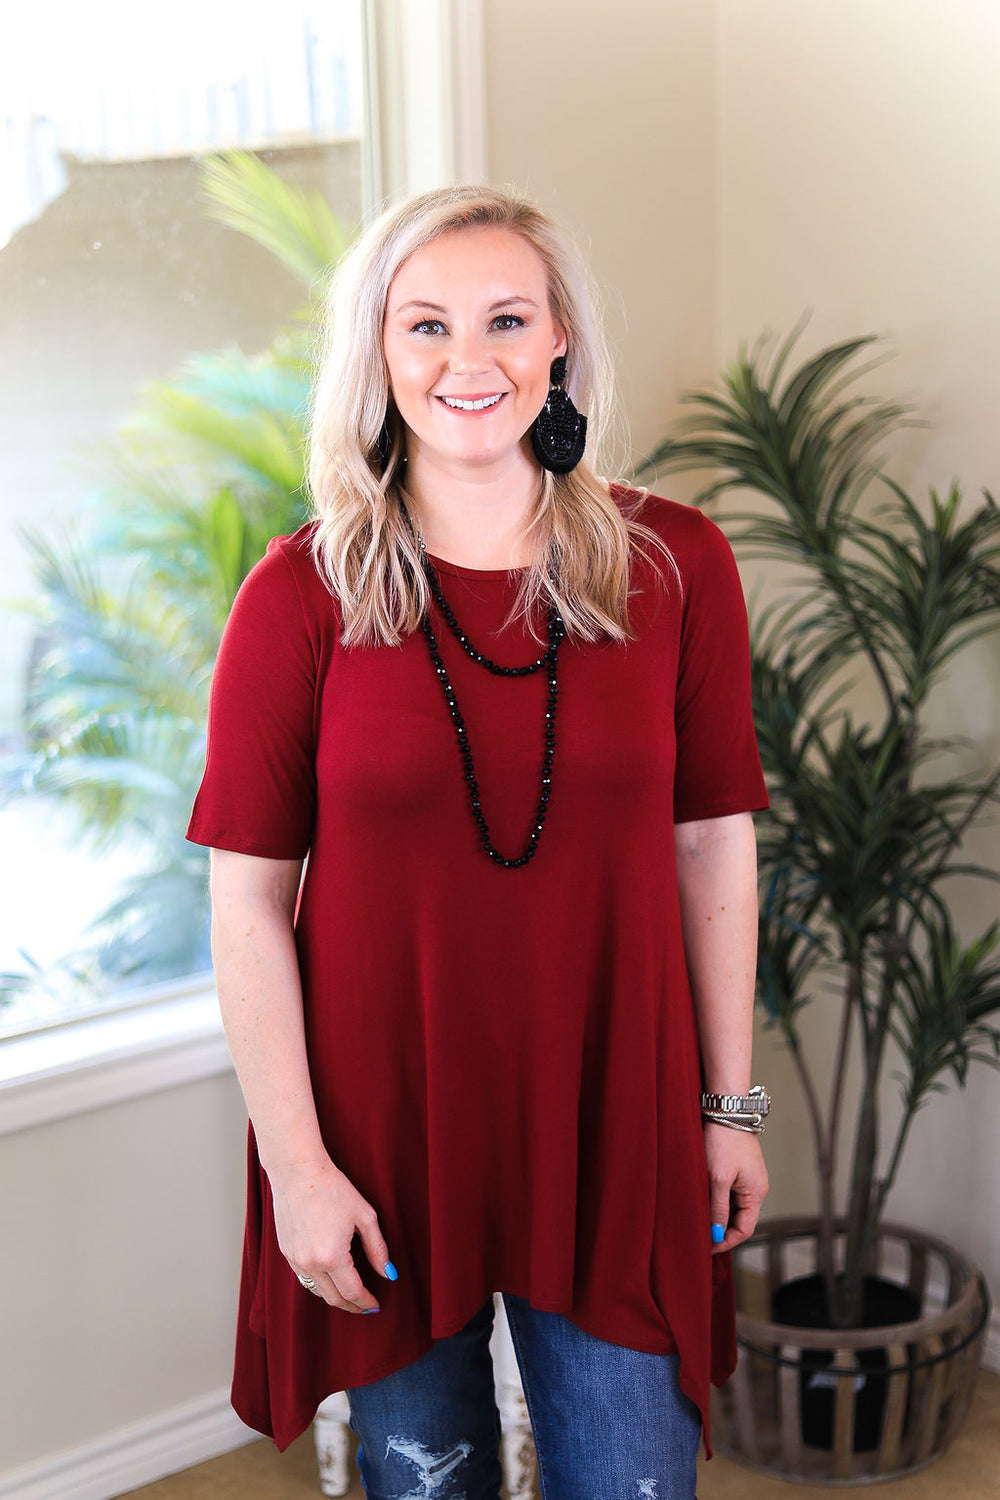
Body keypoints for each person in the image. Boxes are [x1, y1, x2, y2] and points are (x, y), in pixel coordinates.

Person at [186, 183, 770, 1500]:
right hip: (381, 1139)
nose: (469, 359)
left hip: (618, 1126)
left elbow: (712, 846)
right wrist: (297, 1167)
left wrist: (729, 1107)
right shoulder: (300, 596)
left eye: (507, 319)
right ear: (378, 355)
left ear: (559, 338)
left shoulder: (676, 566)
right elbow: (247, 903)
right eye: (426, 324)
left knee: (633, 1472)